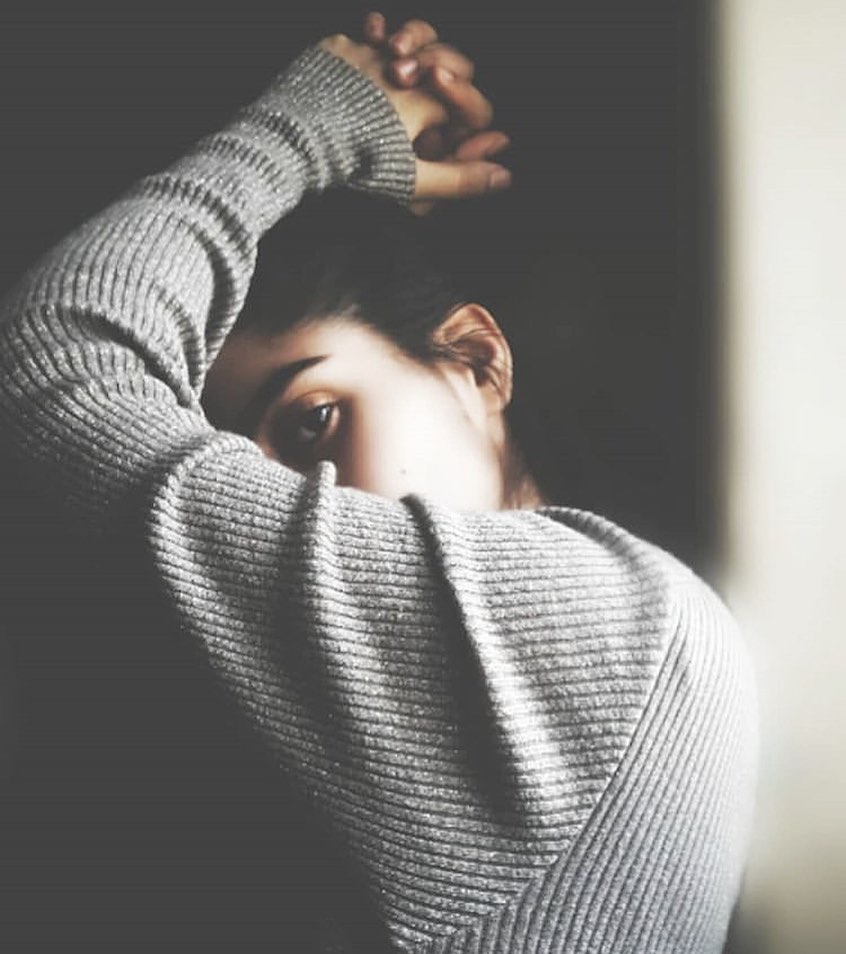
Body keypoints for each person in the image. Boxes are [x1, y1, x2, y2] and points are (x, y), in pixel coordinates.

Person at [0, 12, 757, 953]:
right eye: (233, 453)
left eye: (312, 420)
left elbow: (57, 358)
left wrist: (312, 125)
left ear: (475, 362)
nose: (267, 493)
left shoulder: (597, 619)